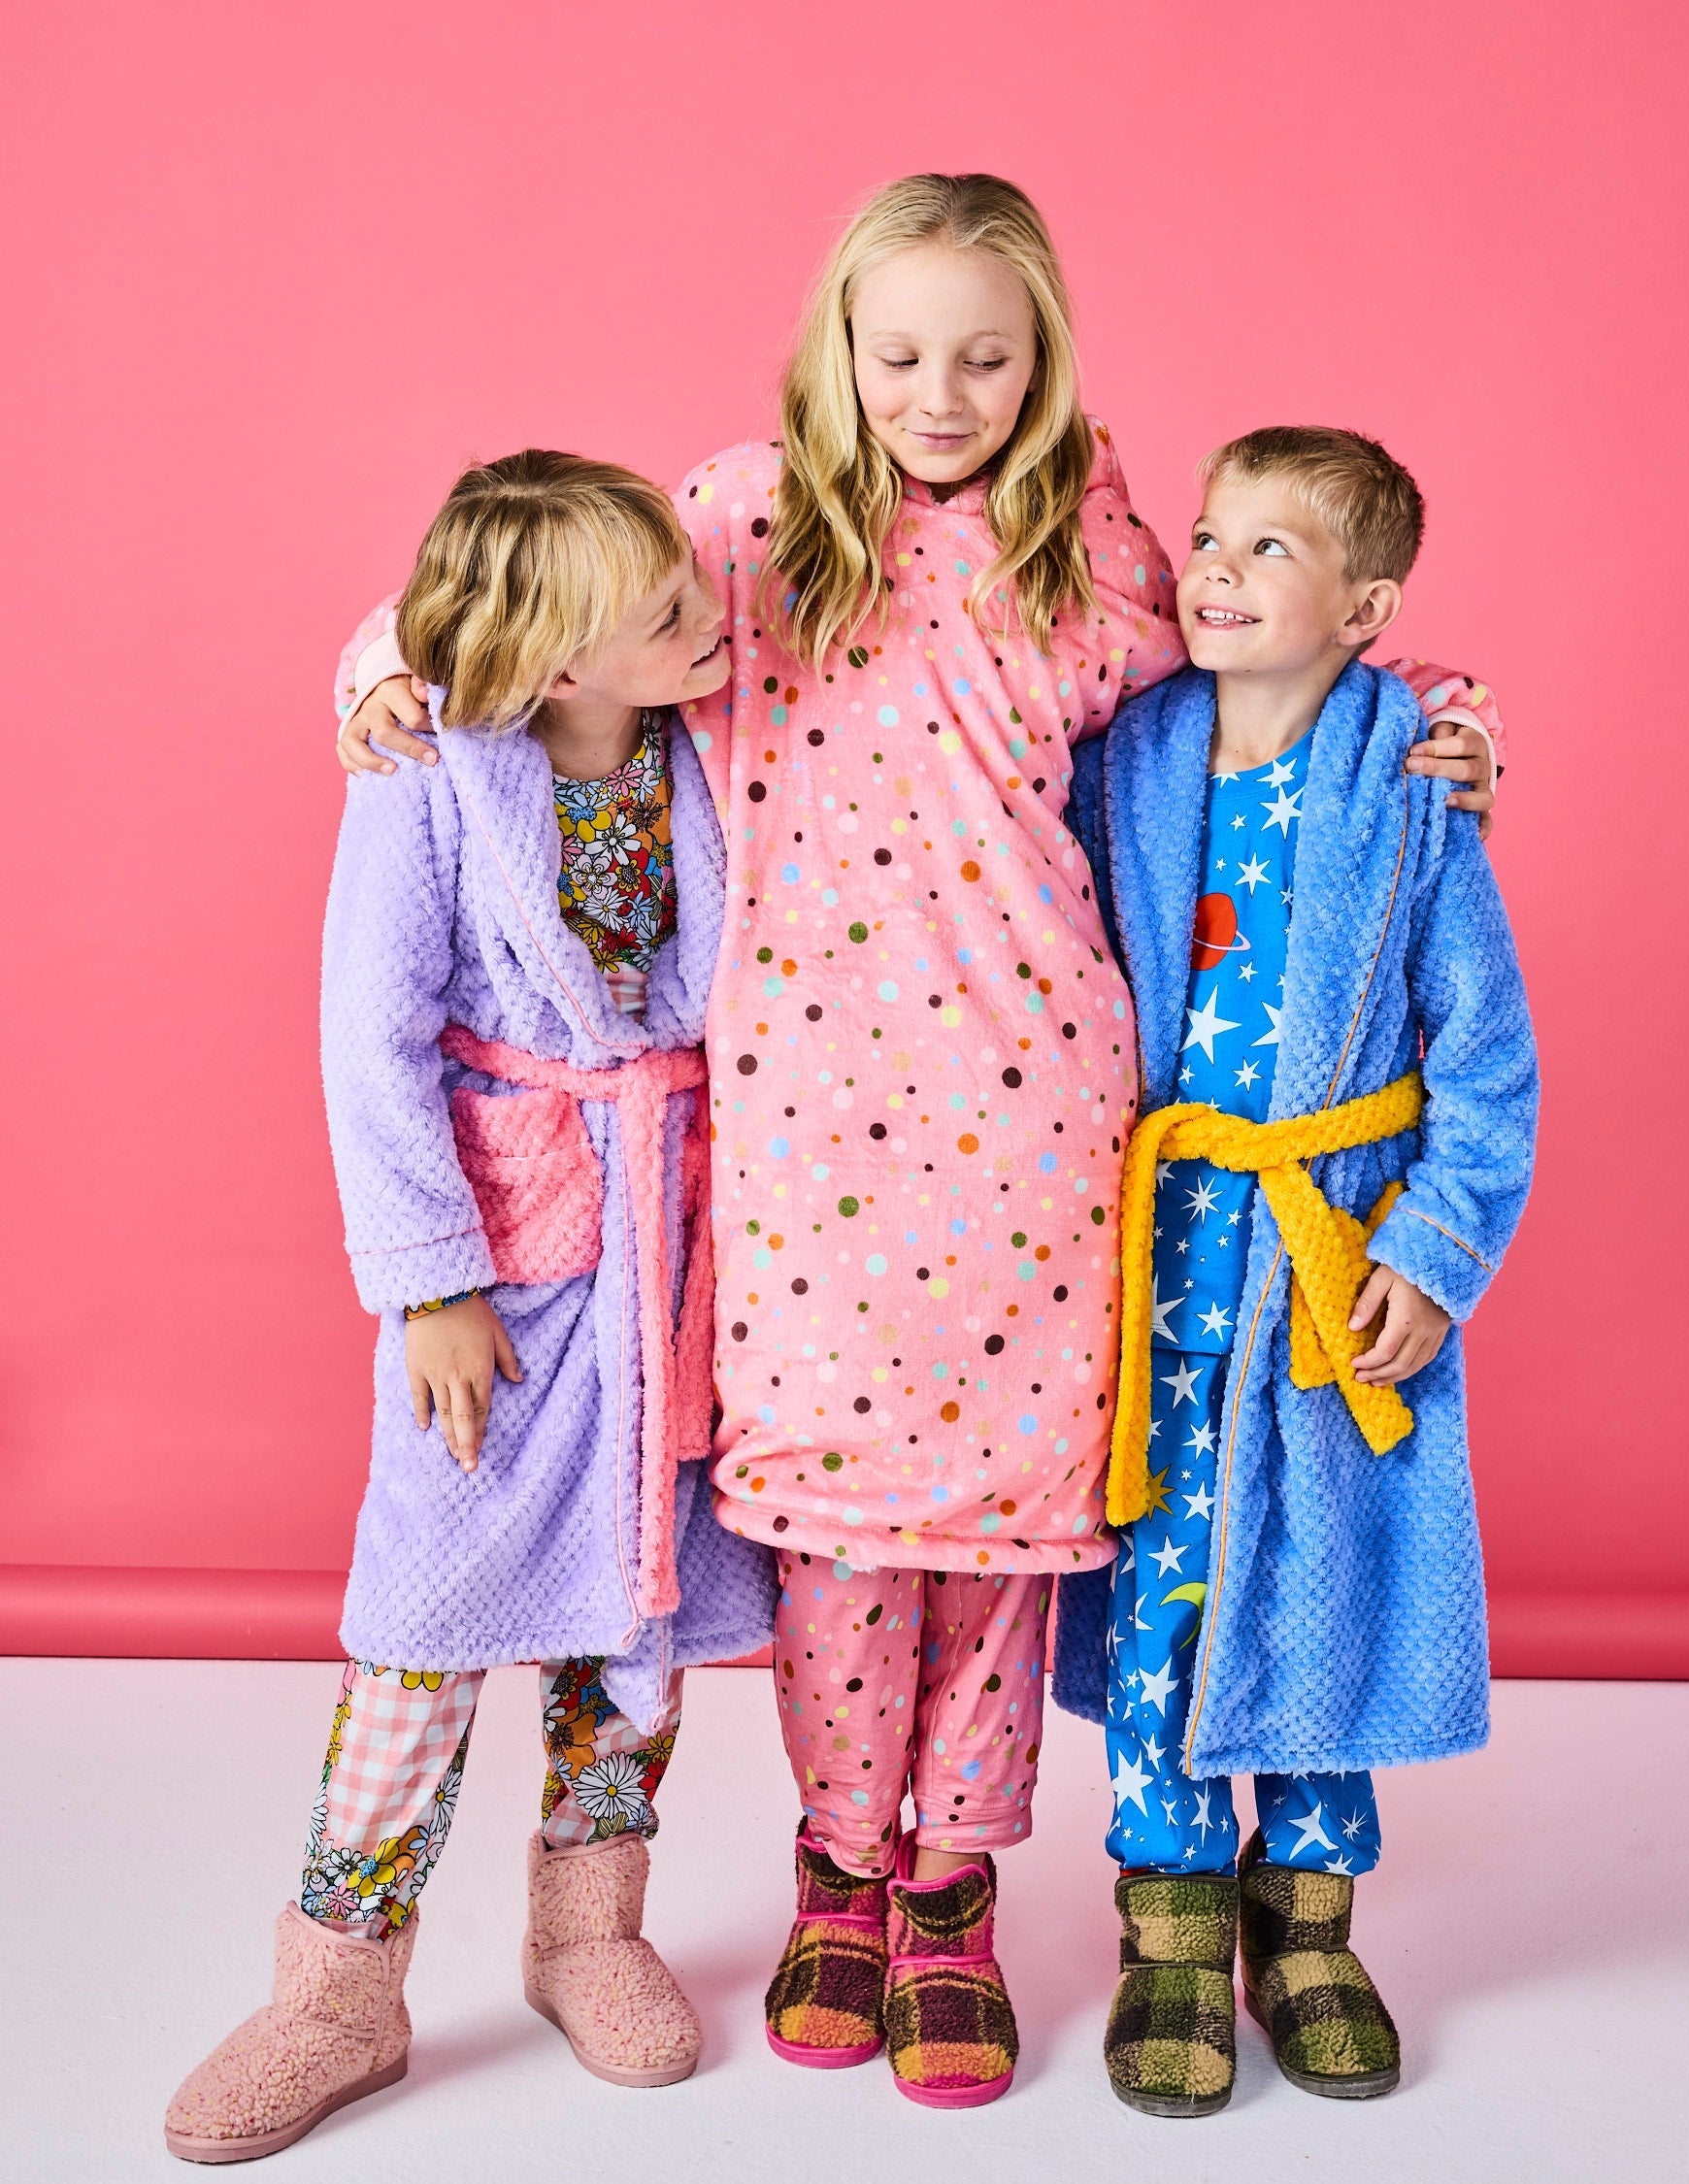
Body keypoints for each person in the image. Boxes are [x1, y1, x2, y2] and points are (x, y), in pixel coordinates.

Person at [334, 174, 1503, 2109]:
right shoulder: (733, 527)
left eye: (986, 354)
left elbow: (1280, 677)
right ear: (836, 349)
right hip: (804, 1136)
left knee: (1006, 1545)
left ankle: (950, 1890)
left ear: (1041, 359)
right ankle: (836, 1879)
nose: (941, 392)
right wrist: (374, 674)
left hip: (1047, 1124)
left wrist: (1436, 721)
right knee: (836, 1554)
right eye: (899, 354)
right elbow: (499, 587)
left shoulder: (1103, 551)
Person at [164, 452, 776, 2165]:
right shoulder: (433, 768)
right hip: (507, 1256)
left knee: (635, 1630)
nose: (706, 611)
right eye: (664, 608)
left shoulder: (710, 732)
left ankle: (588, 1928)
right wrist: (428, 1278)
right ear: (557, 662)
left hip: (677, 1240)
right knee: (421, 1637)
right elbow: (371, 1034)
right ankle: (337, 1989)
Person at [1056, 426, 1538, 2117]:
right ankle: (1171, 1919)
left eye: (1272, 551)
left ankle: (1309, 1916)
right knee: (1165, 1579)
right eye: (1207, 534)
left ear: (1370, 608)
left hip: (1330, 1267)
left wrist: (1437, 1246)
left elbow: (1483, 1054)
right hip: (1164, 1255)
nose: (1216, 568)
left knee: (1325, 1564)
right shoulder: (1127, 753)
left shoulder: (1409, 779)